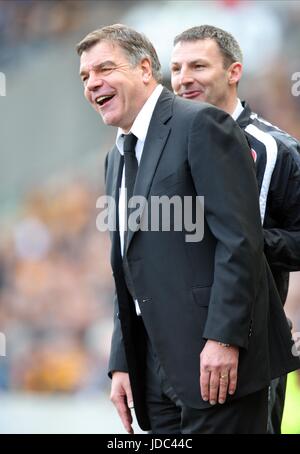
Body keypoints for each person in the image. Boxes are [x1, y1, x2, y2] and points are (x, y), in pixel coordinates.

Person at [76, 24, 299, 434]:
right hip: (153, 366)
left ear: (144, 69)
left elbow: (238, 240)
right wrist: (122, 361)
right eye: (85, 76)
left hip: (217, 359)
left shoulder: (203, 126)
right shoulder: (115, 157)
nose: (93, 83)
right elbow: (129, 267)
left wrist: (224, 338)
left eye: (104, 69)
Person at [170, 24, 300, 434]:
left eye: (198, 65)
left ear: (233, 71)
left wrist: (242, 241)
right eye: (175, 68)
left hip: (248, 348)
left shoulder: (275, 149)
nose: (183, 77)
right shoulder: (161, 144)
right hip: (173, 344)